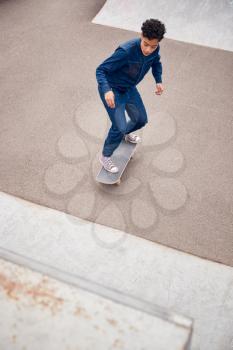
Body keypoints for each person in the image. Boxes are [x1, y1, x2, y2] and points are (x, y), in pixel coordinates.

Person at [96, 18, 166, 173]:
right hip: (112, 91)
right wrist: (107, 90)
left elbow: (156, 63)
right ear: (141, 35)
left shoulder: (155, 49)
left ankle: (125, 134)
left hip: (129, 88)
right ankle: (105, 156)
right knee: (119, 126)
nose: (148, 50)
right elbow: (101, 70)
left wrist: (158, 80)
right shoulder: (126, 51)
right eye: (146, 44)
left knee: (140, 119)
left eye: (153, 46)